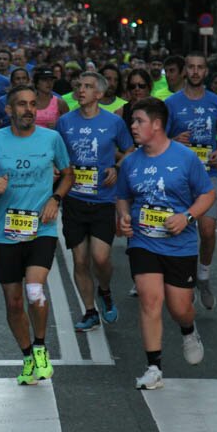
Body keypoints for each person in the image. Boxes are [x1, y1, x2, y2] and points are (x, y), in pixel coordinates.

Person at [0, 84, 73, 384]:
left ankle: (41, 347)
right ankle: (27, 355)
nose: (29, 109)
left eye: (32, 104)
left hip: (41, 229)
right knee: (14, 302)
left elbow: (68, 173)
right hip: (7, 233)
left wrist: (56, 199)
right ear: (8, 110)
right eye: (21, 104)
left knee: (33, 291)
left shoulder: (52, 138)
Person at [116, 98, 215, 390]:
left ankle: (188, 329)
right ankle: (153, 367)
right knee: (149, 300)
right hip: (143, 242)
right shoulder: (131, 161)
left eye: (139, 121)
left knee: (179, 307)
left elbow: (207, 195)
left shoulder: (184, 158)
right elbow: (123, 196)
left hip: (179, 245)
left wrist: (187, 216)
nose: (133, 127)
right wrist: (123, 217)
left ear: (157, 124)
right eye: (132, 121)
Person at [55, 71, 133, 330]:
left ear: (99, 94)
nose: (81, 90)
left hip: (103, 200)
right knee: (79, 260)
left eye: (88, 87)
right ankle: (89, 311)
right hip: (75, 199)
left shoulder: (113, 122)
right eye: (79, 86)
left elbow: (130, 150)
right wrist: (59, 169)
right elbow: (59, 154)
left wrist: (117, 167)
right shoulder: (65, 122)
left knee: (100, 259)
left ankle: (106, 291)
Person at [165, 52, 217, 310]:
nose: (194, 72)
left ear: (206, 72)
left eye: (199, 68)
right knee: (183, 230)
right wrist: (173, 141)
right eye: (190, 67)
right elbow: (160, 139)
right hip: (180, 175)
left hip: (209, 175)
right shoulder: (171, 103)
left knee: (206, 230)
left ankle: (203, 274)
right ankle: (187, 279)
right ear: (184, 72)